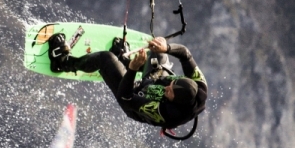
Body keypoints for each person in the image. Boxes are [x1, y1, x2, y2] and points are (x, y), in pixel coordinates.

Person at [47, 32, 207, 133]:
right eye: (172, 84)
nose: (167, 87)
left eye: (169, 92)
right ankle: (123, 61)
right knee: (157, 50)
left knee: (105, 58)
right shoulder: (200, 88)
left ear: (174, 101)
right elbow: (185, 54)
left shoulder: (166, 111)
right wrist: (167, 48)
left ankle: (63, 62)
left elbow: (126, 96)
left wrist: (132, 70)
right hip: (153, 79)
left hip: (132, 98)